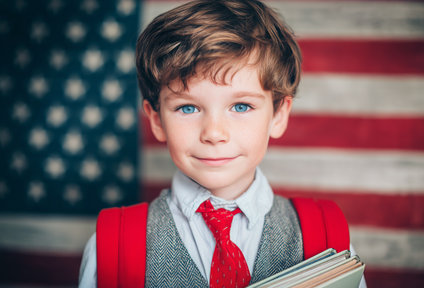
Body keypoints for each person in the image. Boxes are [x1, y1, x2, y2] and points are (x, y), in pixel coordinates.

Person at [79, 0, 367, 287]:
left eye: (241, 106)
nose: (214, 133)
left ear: (279, 116)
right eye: (188, 108)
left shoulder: (327, 240)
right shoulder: (111, 246)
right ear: (156, 120)